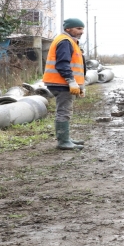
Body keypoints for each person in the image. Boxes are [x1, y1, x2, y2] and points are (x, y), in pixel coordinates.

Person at [43, 18, 86, 150]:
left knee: (64, 110)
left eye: (82, 28)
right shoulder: (65, 42)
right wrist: (71, 82)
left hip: (61, 82)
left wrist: (80, 85)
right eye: (78, 28)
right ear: (68, 29)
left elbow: (77, 67)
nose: (82, 31)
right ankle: (63, 142)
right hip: (61, 83)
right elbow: (63, 64)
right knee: (64, 111)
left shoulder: (69, 42)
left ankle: (66, 139)